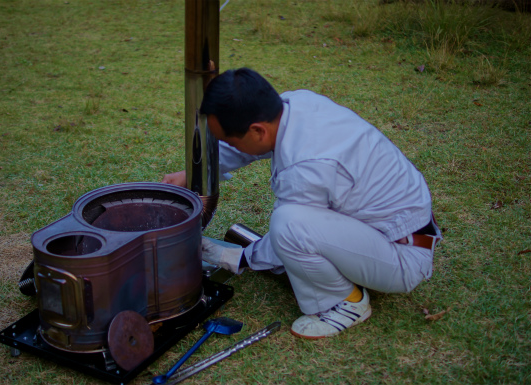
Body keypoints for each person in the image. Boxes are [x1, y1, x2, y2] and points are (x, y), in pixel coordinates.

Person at [162, 68, 441, 339]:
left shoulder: (306, 168)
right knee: (292, 225)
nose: (229, 147)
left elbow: (291, 233)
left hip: (403, 257)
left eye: (228, 141)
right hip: (398, 228)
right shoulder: (296, 103)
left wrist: (236, 258)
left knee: (288, 224)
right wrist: (195, 173)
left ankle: (345, 303)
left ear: (257, 130)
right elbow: (245, 145)